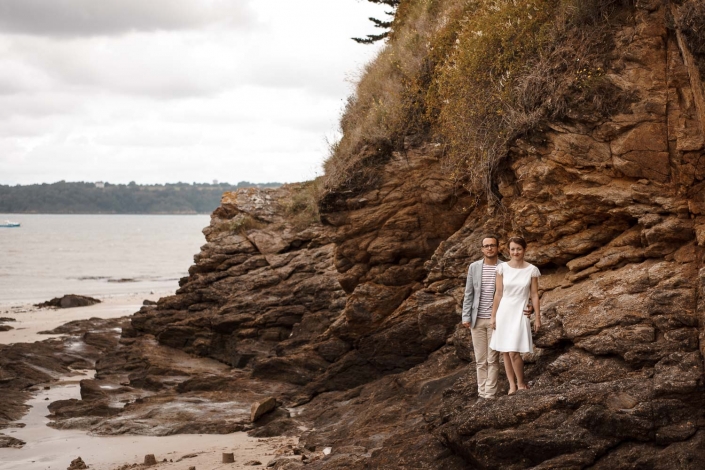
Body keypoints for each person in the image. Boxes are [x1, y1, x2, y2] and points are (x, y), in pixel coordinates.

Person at [489, 236, 541, 395]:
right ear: (508, 251)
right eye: (512, 249)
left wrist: (537, 316)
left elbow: (534, 294)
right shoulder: (502, 268)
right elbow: (498, 294)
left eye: (518, 249)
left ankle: (521, 382)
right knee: (505, 350)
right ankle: (512, 385)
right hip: (504, 310)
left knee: (513, 351)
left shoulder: (531, 269)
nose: (515, 252)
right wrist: (493, 316)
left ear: (524, 250)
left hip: (520, 310)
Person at [461, 236, 503, 399]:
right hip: (476, 319)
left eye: (492, 245)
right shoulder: (474, 267)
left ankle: (490, 394)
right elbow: (469, 292)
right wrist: (466, 316)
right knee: (480, 359)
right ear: (482, 249)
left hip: (495, 320)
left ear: (498, 248)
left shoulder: (504, 267)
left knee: (493, 358)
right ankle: (482, 392)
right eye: (486, 246)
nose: (490, 248)